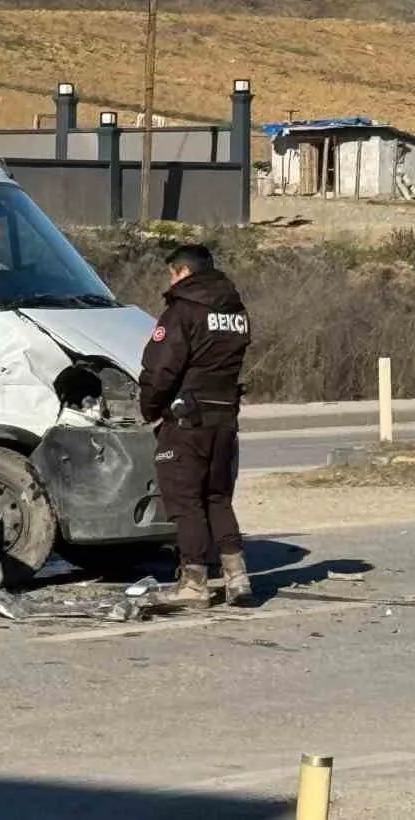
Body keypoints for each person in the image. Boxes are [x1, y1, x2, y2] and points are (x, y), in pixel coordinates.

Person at [138, 243, 253, 609]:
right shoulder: (236, 311)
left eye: (173, 273)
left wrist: (149, 407)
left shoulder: (183, 310)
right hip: (225, 416)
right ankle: (237, 575)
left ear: (184, 273)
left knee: (185, 499)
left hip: (187, 418)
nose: (170, 281)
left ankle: (193, 582)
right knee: (217, 495)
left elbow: (161, 367)